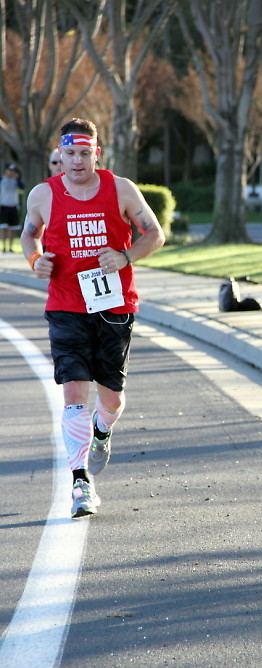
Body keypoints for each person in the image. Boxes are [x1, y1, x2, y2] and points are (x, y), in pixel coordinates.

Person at [21, 118, 165, 518]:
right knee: (73, 395)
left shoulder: (120, 189)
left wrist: (125, 256)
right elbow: (28, 234)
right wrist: (36, 259)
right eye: (70, 153)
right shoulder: (42, 195)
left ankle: (103, 431)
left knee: (112, 397)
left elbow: (155, 233)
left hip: (114, 306)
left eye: (85, 153)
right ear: (60, 155)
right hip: (66, 305)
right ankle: (81, 483)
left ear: (96, 153)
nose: (78, 161)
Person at [0, 164, 24, 253]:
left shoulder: (16, 181)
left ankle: (10, 247)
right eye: (9, 171)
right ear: (5, 171)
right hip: (3, 205)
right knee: (3, 227)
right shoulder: (1, 179)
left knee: (12, 228)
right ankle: (3, 247)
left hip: (13, 205)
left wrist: (17, 178)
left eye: (13, 171)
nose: (11, 173)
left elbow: (22, 187)